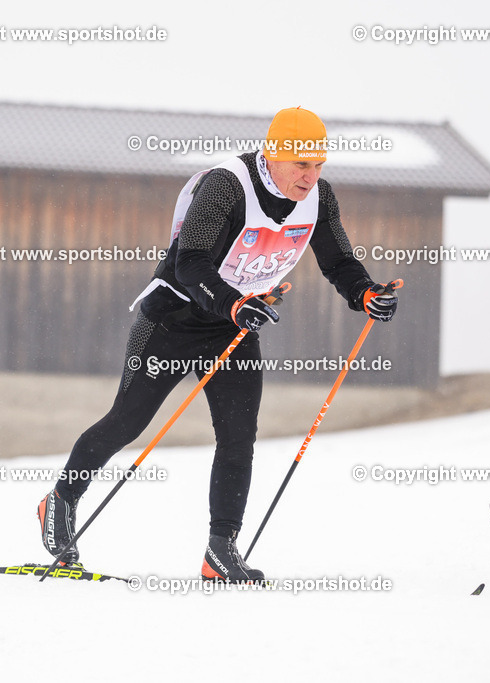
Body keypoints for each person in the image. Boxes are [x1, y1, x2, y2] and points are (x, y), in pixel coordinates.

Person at [38, 107, 398, 582]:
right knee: (127, 422)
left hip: (232, 327)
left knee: (238, 437)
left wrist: (365, 293)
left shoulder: (319, 197)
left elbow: (338, 262)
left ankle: (221, 549)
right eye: (300, 165)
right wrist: (234, 304)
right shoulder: (228, 185)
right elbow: (190, 263)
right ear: (273, 155)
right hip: (172, 320)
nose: (310, 177)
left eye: (317, 165)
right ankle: (61, 500)